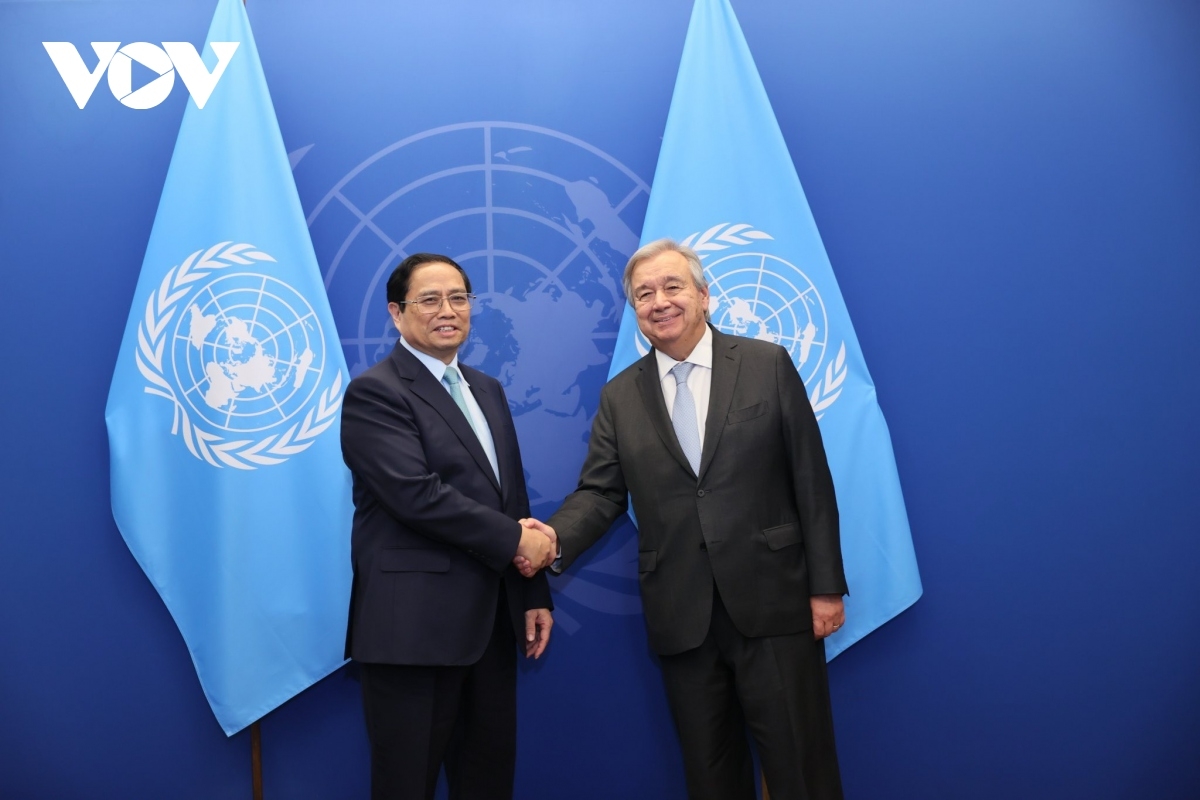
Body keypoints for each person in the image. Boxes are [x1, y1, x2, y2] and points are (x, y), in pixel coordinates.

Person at [517, 239, 849, 800]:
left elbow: (811, 481)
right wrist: (550, 538)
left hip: (776, 604)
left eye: (672, 287)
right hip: (682, 614)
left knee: (801, 769)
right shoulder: (621, 396)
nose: (659, 302)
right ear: (635, 311)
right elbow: (600, 493)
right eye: (644, 294)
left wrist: (826, 589)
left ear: (703, 296)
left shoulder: (766, 363)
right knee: (710, 774)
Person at [341, 253, 557, 800]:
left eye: (459, 298)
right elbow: (416, 496)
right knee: (405, 786)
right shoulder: (375, 392)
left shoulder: (486, 388)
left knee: (487, 783)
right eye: (430, 299)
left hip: (490, 629)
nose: (448, 310)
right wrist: (518, 542)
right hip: (412, 635)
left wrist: (532, 587)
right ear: (396, 313)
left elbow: (513, 498)